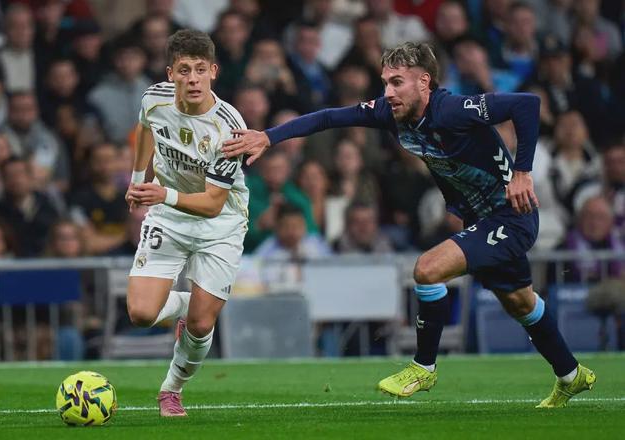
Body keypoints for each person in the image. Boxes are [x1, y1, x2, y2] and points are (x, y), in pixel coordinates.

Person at [222, 42, 595, 408]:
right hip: (479, 219)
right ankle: (570, 374)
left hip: (511, 216)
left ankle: (424, 367)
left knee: (428, 270)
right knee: (520, 302)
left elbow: (526, 104)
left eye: (397, 82)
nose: (388, 92)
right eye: (385, 82)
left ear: (424, 82)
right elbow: (329, 118)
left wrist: (523, 172)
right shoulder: (389, 112)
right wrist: (269, 136)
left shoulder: (452, 109)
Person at [124, 29, 249, 417]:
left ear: (213, 71)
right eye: (183, 70)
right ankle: (191, 304)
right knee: (141, 314)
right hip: (169, 217)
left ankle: (171, 390)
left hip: (221, 223)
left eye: (199, 69)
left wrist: (161, 193)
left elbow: (212, 204)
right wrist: (137, 179)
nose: (192, 79)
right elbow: (146, 127)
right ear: (171, 74)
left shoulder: (229, 126)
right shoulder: (154, 99)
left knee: (200, 325)